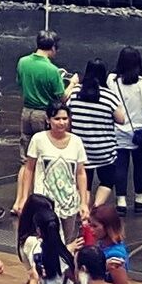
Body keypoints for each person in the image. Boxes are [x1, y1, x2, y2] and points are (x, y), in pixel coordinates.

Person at [17, 99, 90, 230]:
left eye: (64, 118)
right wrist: (24, 197)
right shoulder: (38, 139)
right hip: (44, 201)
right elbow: (29, 169)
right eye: (57, 119)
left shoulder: (76, 142)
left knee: (68, 242)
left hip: (69, 202)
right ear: (48, 120)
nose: (61, 123)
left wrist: (84, 202)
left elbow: (80, 173)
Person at [67, 60, 121, 201]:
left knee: (84, 183)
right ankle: (97, 208)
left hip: (81, 150)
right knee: (107, 181)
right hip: (104, 151)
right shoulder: (109, 96)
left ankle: (84, 209)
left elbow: (67, 113)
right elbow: (121, 119)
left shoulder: (75, 94)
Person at [112, 49, 142, 210]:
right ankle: (140, 198)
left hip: (118, 131)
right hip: (141, 132)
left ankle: (121, 201)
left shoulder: (112, 80)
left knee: (121, 166)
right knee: (140, 165)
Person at [17, 30, 69, 155]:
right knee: (44, 153)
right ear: (52, 47)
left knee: (26, 155)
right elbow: (62, 98)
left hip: (26, 112)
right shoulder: (52, 70)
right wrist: (72, 83)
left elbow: (20, 84)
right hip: (43, 115)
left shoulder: (22, 62)